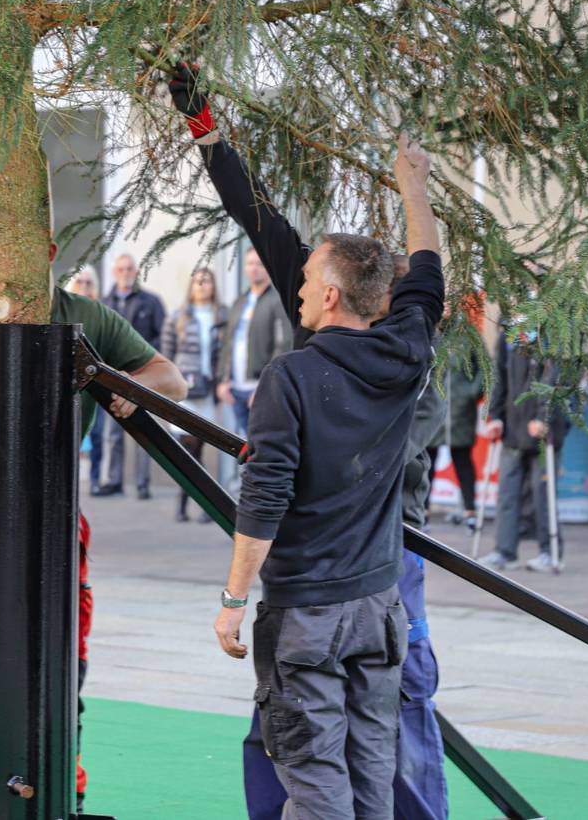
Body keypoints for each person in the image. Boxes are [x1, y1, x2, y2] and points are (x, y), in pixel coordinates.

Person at [171, 63, 449, 820]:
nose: (286, 282)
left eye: (304, 279)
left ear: (329, 292)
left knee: (326, 771)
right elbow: (257, 212)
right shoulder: (407, 346)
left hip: (323, 598)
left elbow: (263, 496)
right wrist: (413, 181)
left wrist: (232, 598)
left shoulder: (293, 374)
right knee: (368, 758)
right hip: (376, 585)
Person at [0, 169, 187, 813]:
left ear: (47, 254)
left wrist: (138, 392)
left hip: (48, 510)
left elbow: (168, 377)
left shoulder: (82, 314)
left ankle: (57, 780)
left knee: (57, 658)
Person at [479, 330, 569, 571]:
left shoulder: (551, 326)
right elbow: (499, 375)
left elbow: (555, 378)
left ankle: (550, 552)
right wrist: (495, 416)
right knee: (507, 492)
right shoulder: (509, 331)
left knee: (543, 494)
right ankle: (504, 551)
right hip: (513, 428)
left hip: (542, 432)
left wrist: (543, 417)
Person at [97, 254, 166, 498]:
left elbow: (162, 337)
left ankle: (142, 484)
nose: (125, 272)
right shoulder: (103, 303)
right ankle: (114, 480)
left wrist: (149, 364)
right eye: (121, 268)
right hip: (111, 376)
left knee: (143, 431)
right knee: (113, 433)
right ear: (115, 272)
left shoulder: (151, 302)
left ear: (136, 272)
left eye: (129, 268)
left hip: (141, 376)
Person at [160, 267, 226, 522]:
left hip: (207, 392)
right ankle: (202, 503)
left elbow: (225, 353)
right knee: (189, 451)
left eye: (206, 280)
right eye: (197, 281)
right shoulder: (178, 316)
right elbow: (166, 355)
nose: (202, 285)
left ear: (213, 285)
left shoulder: (221, 316)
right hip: (184, 391)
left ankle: (187, 503)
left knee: (196, 449)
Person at [216, 247, 292, 435]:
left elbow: (283, 345)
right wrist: (223, 380)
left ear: (268, 268)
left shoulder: (276, 301)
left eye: (259, 264)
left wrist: (266, 387)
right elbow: (228, 342)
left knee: (260, 447)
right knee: (242, 445)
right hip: (235, 389)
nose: (254, 268)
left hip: (258, 389)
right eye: (250, 263)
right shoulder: (240, 301)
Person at [427, 338, 484, 527]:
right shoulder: (431, 333)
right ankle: (422, 510)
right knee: (427, 462)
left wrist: (471, 393)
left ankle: (470, 510)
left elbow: (485, 368)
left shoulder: (468, 337)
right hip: (433, 409)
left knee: (462, 460)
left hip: (461, 411)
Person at [67, 267, 108, 493]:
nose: (84, 287)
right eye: (79, 282)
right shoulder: (65, 315)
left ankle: (93, 479)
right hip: (70, 390)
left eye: (88, 283)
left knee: (98, 433)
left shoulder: (101, 316)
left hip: (96, 388)